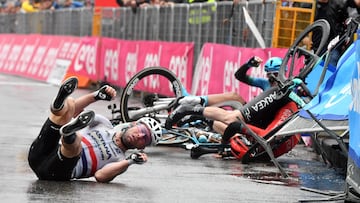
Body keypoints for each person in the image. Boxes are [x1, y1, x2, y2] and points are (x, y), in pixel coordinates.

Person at [28, 76, 162, 183]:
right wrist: (97, 95)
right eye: (141, 131)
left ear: (141, 147)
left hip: (57, 171)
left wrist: (130, 161)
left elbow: (100, 176)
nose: (139, 136)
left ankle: (69, 135)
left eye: (145, 138)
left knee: (77, 141)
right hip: (39, 154)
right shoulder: (104, 124)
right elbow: (76, 109)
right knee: (69, 104)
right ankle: (57, 106)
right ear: (133, 124)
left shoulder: (120, 159)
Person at [165, 57, 295, 135]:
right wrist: (248, 65)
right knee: (234, 97)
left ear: (283, 73)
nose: (272, 80)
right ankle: (197, 101)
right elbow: (240, 76)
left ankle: (197, 115)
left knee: (221, 120)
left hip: (262, 123)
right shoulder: (265, 84)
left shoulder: (289, 87)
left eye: (275, 75)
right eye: (269, 76)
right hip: (256, 114)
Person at [312, 0, 360, 67]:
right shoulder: (311, 6)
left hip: (333, 47)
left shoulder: (338, 4)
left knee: (330, 70)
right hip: (316, 46)